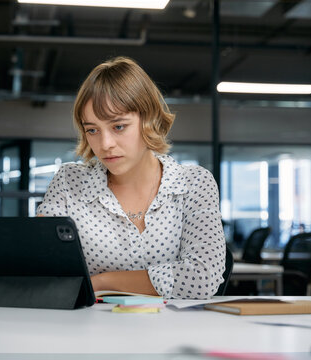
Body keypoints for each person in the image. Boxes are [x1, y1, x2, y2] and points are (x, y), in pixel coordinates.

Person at [37, 57, 225, 299]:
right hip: (87, 331)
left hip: (172, 332)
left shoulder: (193, 183)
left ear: (149, 120)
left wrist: (100, 282)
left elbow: (202, 278)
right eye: (92, 130)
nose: (105, 145)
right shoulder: (69, 182)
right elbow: (43, 272)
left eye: (118, 127)